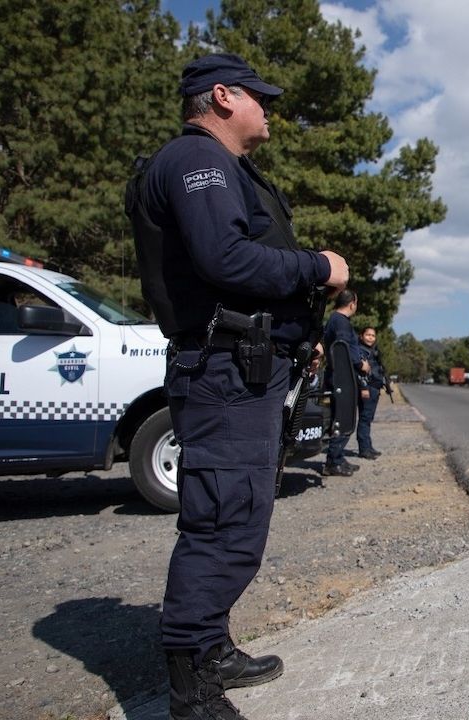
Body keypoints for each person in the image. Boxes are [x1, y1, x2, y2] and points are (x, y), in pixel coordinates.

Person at [126, 53, 349, 720]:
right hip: (224, 369)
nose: (269, 107)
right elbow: (225, 259)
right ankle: (191, 686)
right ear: (221, 96)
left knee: (239, 512)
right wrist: (320, 267)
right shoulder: (198, 162)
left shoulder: (221, 167)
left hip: (240, 368)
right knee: (224, 519)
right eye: (260, 96)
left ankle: (211, 643)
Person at [321, 290, 367, 476]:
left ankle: (337, 457)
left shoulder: (336, 320)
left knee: (341, 417)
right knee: (343, 417)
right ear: (352, 303)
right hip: (343, 377)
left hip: (340, 376)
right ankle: (333, 462)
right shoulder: (340, 322)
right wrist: (360, 363)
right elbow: (343, 348)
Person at [356, 326, 388, 460]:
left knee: (368, 419)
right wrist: (363, 388)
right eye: (368, 335)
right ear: (361, 336)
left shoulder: (373, 351)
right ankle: (364, 449)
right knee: (364, 419)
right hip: (367, 388)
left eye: (373, 335)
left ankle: (368, 446)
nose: (370, 337)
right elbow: (360, 372)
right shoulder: (360, 351)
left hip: (374, 388)